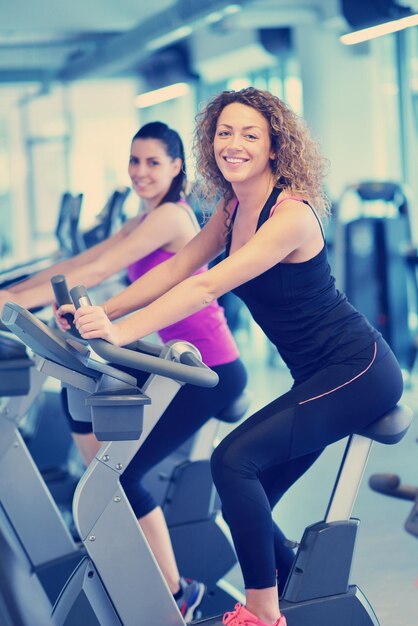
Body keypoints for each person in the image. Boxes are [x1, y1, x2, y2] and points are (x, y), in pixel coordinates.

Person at [66, 89, 404, 626]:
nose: (234, 144)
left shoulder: (290, 214)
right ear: (210, 141)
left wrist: (120, 330)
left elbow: (205, 288)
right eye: (224, 132)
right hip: (316, 378)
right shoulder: (230, 208)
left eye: (250, 134)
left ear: (274, 146)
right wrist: (99, 311)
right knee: (247, 498)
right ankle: (307, 599)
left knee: (232, 461)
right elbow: (178, 270)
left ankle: (263, 615)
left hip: (358, 371)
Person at [1, 121, 247, 622]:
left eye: (153, 162)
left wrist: (12, 299)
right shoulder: (147, 215)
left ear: (177, 167)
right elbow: (84, 260)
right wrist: (15, 293)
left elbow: (94, 273)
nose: (140, 172)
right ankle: (116, 542)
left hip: (208, 369)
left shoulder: (172, 219)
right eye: (135, 161)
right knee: (83, 406)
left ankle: (179, 592)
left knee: (119, 473)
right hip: (169, 362)